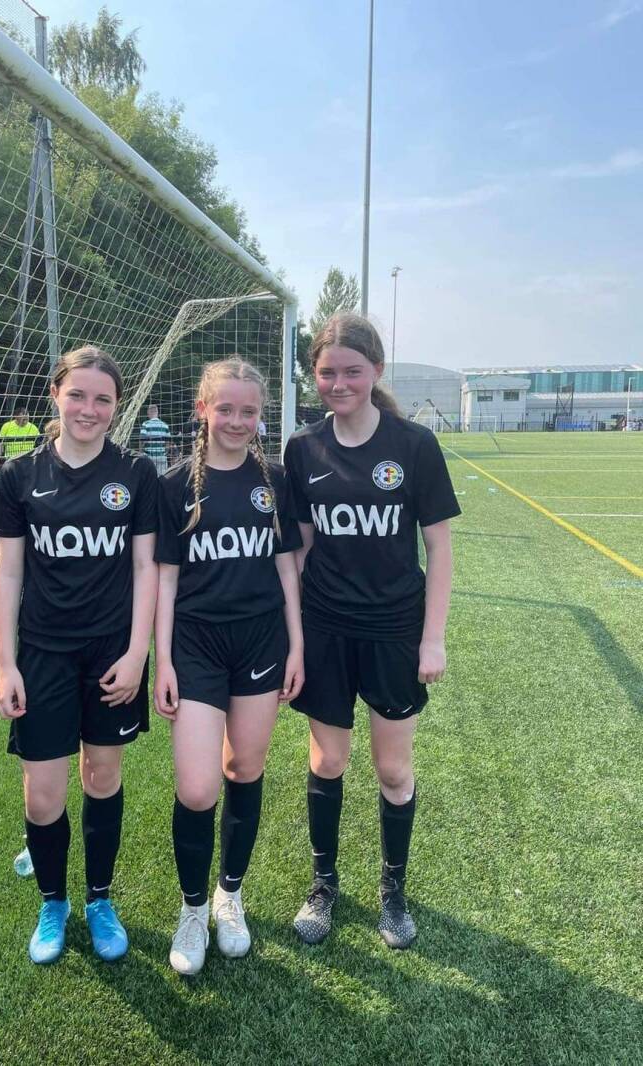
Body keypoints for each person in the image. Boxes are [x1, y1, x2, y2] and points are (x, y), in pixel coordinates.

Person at [283, 312, 460, 950]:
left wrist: (432, 638)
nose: (339, 384)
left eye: (352, 372)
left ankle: (393, 893)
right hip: (327, 628)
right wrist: (293, 637)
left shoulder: (414, 446)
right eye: (327, 373)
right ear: (314, 375)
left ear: (376, 371)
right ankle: (323, 885)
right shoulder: (303, 449)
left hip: (394, 630)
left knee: (392, 769)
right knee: (328, 760)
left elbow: (439, 549)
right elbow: (299, 551)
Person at [0, 346, 158, 965]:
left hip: (111, 653)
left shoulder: (135, 473)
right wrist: (6, 664)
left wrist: (137, 652)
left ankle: (98, 899)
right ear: (55, 396)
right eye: (78, 395)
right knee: (43, 795)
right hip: (42, 654)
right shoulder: (19, 476)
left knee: (102, 776)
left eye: (103, 399)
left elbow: (145, 569)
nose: (89, 409)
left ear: (117, 406)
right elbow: (9, 574)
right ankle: (53, 902)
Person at [154, 357, 304, 975]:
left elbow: (287, 569)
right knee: (197, 787)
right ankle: (193, 910)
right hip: (196, 646)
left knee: (244, 768)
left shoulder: (276, 481)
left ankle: (229, 895)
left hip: (261, 643)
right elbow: (164, 580)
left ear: (260, 415)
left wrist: (297, 647)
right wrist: (161, 661)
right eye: (226, 409)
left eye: (249, 411)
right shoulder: (174, 486)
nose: (237, 421)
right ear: (203, 410)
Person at [140, 403, 172, 475]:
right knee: (162, 477)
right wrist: (165, 453)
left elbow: (142, 440)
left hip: (149, 457)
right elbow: (168, 442)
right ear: (157, 412)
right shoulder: (165, 425)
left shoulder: (145, 424)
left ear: (149, 412)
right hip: (161, 457)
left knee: (148, 478)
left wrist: (141, 452)